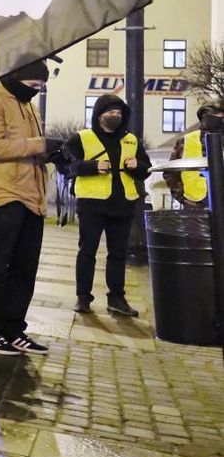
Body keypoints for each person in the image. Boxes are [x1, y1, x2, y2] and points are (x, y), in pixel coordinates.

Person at [0, 60, 64, 356]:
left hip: (32, 197)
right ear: (17, 78)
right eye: (34, 85)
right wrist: (40, 144)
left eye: (41, 87)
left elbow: (27, 148)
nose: (37, 91)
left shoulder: (29, 107)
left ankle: (14, 330)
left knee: (25, 268)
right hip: (4, 195)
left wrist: (53, 152)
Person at [64, 95, 149, 317]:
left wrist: (137, 165)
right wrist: (90, 166)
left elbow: (145, 168)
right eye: (110, 113)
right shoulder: (82, 138)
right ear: (99, 115)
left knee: (118, 253)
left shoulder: (131, 139)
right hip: (92, 204)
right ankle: (83, 298)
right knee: (87, 252)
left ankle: (117, 299)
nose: (115, 117)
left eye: (119, 114)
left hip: (123, 204)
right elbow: (66, 164)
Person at [164, 101, 224, 209]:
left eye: (219, 115)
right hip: (195, 205)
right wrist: (182, 198)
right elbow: (170, 172)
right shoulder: (186, 141)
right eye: (211, 115)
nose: (217, 118)